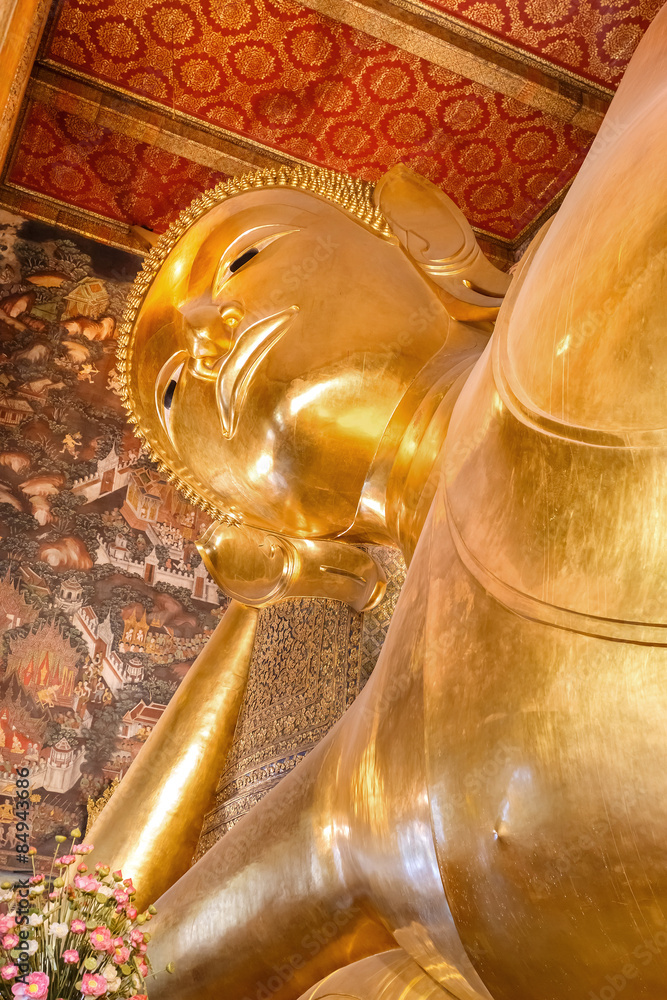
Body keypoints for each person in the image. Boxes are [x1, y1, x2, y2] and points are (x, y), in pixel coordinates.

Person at [113, 12, 667, 999]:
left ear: (428, 245)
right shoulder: (364, 774)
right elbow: (117, 969)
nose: (201, 334)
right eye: (173, 397)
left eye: (242, 260)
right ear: (263, 522)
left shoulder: (575, 298)